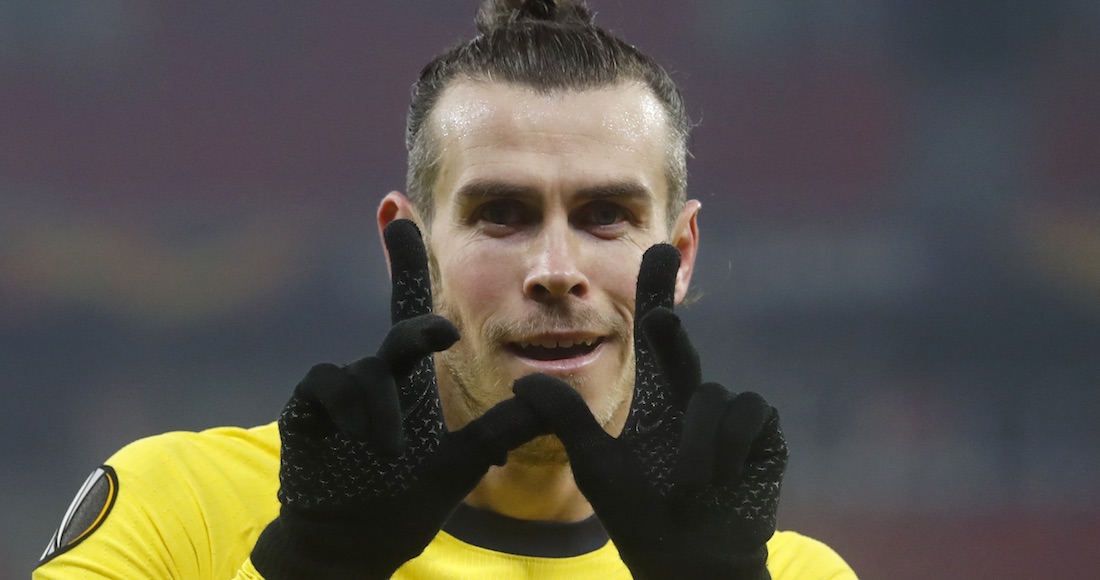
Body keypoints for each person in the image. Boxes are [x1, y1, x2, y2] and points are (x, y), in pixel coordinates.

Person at [36, 1, 857, 578]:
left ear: (679, 254)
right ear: (411, 249)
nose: (555, 268)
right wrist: (307, 572)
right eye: (501, 214)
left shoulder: (787, 575)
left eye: (606, 215)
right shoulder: (184, 508)